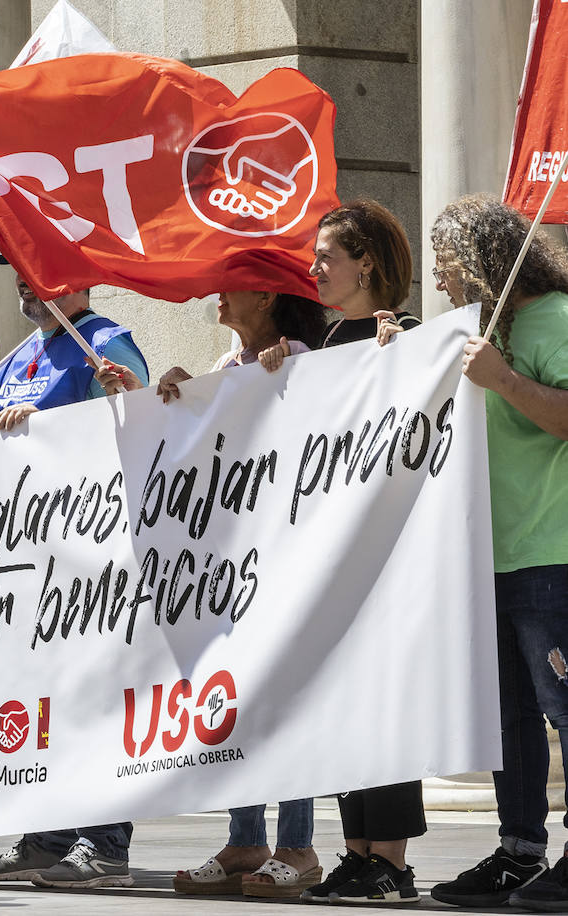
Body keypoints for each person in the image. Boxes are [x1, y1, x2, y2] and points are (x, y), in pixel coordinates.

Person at [0, 260, 145, 890]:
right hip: (29, 549)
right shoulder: (26, 348)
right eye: (24, 275)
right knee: (45, 700)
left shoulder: (104, 337)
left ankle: (106, 844)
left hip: (91, 546)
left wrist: (122, 389)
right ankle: (48, 836)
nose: (30, 284)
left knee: (94, 693)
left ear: (81, 282)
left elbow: (134, 398)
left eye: (43, 272)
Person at [157, 265, 327, 898]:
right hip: (227, 566)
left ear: (267, 296)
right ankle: (246, 837)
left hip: (280, 558)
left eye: (232, 285)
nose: (216, 296)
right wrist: (174, 394)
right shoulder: (231, 366)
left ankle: (298, 845)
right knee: (234, 699)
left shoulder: (303, 359)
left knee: (280, 699)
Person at [424, 195, 568, 910]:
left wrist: (505, 381)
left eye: (446, 263)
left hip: (551, 553)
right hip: (493, 557)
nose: (440, 279)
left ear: (484, 262)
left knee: (565, 710)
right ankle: (519, 850)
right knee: (511, 718)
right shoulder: (483, 332)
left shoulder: (554, 321)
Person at [299, 199, 425, 906]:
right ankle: (354, 852)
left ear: (366, 262)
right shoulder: (317, 341)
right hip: (325, 556)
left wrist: (394, 367)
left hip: (384, 558)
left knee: (383, 705)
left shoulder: (401, 334)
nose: (315, 268)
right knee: (340, 707)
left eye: (327, 257)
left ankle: (393, 863)